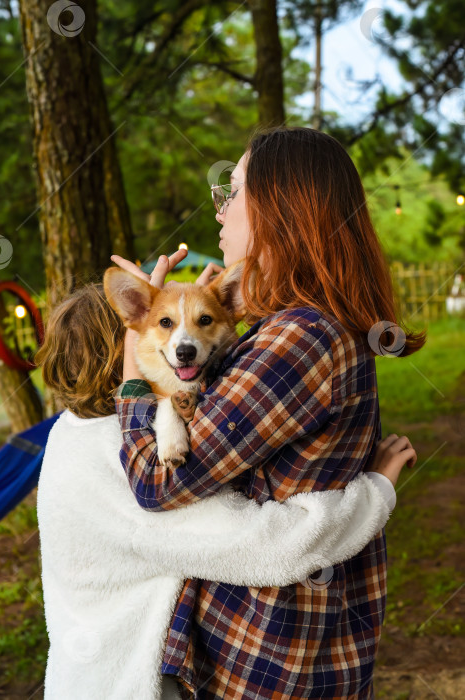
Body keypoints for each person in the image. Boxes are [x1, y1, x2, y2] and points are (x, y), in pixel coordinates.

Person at [113, 126, 425, 699]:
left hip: (265, 660)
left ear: (280, 210)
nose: (220, 215)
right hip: (287, 648)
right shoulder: (297, 329)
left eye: (230, 193)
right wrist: (171, 317)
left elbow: (157, 480)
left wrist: (139, 362)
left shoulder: (299, 342)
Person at [35, 282, 414, 700]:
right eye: (161, 324)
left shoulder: (67, 436)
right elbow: (270, 547)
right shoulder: (124, 458)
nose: (184, 340)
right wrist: (374, 492)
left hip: (79, 678)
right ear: (134, 347)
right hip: (128, 684)